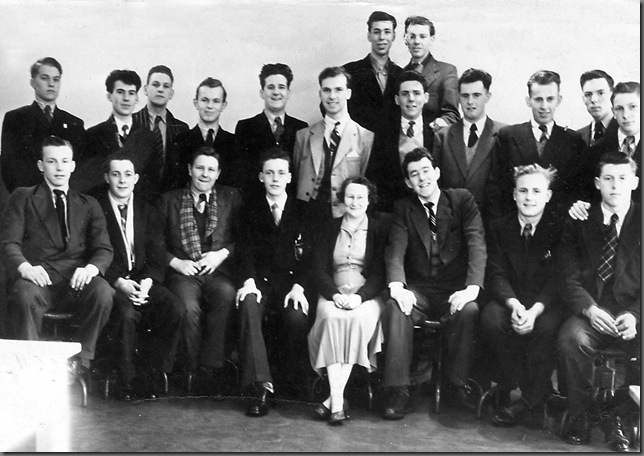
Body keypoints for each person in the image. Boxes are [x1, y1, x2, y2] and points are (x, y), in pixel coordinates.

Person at [381, 147, 486, 420]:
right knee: (395, 307)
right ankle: (399, 389)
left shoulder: (462, 200)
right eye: (414, 174)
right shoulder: (404, 208)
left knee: (471, 310)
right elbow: (395, 249)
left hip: (455, 288)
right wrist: (397, 286)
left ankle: (457, 384)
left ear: (437, 173)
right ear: (408, 182)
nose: (422, 178)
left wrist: (472, 288)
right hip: (420, 290)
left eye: (426, 171)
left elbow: (476, 243)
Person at [0, 135, 114, 369]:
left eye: (65, 161)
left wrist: (91, 268)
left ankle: (80, 362)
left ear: (73, 166)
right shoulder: (23, 197)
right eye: (52, 161)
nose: (59, 167)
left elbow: (103, 248)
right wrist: (25, 267)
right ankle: (29, 367)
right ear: (41, 166)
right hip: (38, 280)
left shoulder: (89, 203)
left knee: (103, 291)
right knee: (23, 295)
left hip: (75, 283)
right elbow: (8, 243)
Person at [557, 153, 640, 450]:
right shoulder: (580, 220)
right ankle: (583, 413)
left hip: (632, 313)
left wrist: (635, 314)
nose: (615, 185)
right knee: (571, 338)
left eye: (622, 178)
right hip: (591, 309)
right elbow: (567, 277)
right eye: (608, 178)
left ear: (635, 182)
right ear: (597, 183)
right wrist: (590, 309)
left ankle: (617, 417)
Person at [97, 151, 185, 401]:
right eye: (116, 175)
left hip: (143, 279)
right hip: (112, 280)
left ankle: (151, 373)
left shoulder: (149, 211)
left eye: (127, 175)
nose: (122, 181)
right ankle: (126, 381)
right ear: (106, 178)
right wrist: (120, 283)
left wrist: (146, 284)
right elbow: (95, 252)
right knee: (126, 314)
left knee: (175, 308)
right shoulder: (96, 208)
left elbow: (157, 257)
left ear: (136, 178)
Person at [481, 164, 564, 427]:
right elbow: (495, 273)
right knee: (492, 319)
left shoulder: (559, 227)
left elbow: (558, 279)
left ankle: (532, 400)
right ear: (514, 194)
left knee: (548, 328)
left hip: (545, 303)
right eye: (523, 191)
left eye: (537, 191)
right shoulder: (499, 227)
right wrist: (514, 304)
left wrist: (536, 309)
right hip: (512, 298)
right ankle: (518, 388)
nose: (529, 197)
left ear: (547, 196)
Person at [235, 147, 314, 417]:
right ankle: (261, 386)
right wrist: (248, 282)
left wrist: (299, 286)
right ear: (260, 177)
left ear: (290, 177)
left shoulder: (304, 210)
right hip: (261, 282)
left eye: (281, 173)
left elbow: (311, 258)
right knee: (248, 304)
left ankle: (291, 382)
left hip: (292, 284)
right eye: (269, 173)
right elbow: (244, 251)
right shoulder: (249, 210)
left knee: (295, 318)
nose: (275, 178)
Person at [157, 146, 241, 398]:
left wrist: (221, 254)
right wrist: (175, 262)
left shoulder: (231, 198)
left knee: (225, 298)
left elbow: (243, 239)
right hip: (184, 272)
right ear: (190, 170)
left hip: (217, 271)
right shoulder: (169, 200)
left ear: (218, 174)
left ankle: (211, 370)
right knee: (188, 307)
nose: (205, 174)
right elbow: (153, 243)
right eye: (200, 168)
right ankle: (193, 369)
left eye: (211, 169)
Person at [308, 176, 389, 425]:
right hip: (333, 291)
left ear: (369, 200)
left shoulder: (379, 228)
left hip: (367, 295)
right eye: (350, 196)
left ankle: (333, 401)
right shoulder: (329, 227)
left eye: (360, 197)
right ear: (343, 199)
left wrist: (360, 298)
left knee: (355, 319)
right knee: (332, 318)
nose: (354, 202)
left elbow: (379, 274)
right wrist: (334, 295)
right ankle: (338, 400)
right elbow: (318, 268)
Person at [487, 70, 586, 220]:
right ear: (528, 101)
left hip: (558, 228)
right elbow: (495, 188)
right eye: (538, 99)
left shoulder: (573, 140)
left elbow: (577, 189)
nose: (544, 106)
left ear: (559, 100)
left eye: (550, 99)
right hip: (516, 226)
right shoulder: (508, 136)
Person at [293, 67, 373, 223]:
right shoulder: (303, 136)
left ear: (348, 93)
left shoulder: (365, 137)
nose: (332, 96)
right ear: (320, 94)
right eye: (326, 90)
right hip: (309, 216)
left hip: (346, 216)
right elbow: (296, 177)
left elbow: (364, 180)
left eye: (338, 90)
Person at [1, 57, 85, 193]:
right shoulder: (15, 118)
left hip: (64, 198)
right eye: (45, 78)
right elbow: (9, 166)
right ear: (33, 82)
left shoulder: (74, 123)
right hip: (29, 198)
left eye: (56, 79)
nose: (51, 84)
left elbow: (80, 168)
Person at [77, 69, 160, 202]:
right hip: (103, 209)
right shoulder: (92, 135)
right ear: (109, 96)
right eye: (120, 92)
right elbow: (87, 181)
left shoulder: (148, 137)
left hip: (138, 210)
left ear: (137, 98)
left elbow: (153, 184)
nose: (126, 98)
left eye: (131, 93)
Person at [433, 68, 506, 219]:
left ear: (487, 96)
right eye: (465, 96)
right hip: (452, 227)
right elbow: (436, 187)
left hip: (490, 225)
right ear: (458, 97)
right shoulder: (443, 136)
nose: (470, 102)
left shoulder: (504, 134)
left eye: (476, 95)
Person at [234, 63, 308, 200]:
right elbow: (243, 174)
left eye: (281, 87)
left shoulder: (301, 128)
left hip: (291, 204)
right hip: (256, 202)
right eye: (270, 87)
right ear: (262, 92)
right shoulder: (246, 127)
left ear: (288, 93)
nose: (276, 92)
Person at [571, 81, 641, 215]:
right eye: (619, 108)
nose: (626, 115)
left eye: (633, 107)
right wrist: (579, 204)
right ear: (613, 111)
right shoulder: (595, 152)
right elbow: (584, 194)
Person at [367, 70, 434, 212]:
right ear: (397, 99)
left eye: (416, 93)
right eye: (405, 94)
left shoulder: (436, 133)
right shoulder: (382, 132)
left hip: (428, 209)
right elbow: (375, 175)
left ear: (426, 97)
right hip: (392, 210)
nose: (411, 99)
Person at [173, 78, 241, 192]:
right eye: (204, 100)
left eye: (216, 101)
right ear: (196, 103)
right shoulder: (180, 141)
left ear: (223, 105)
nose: (209, 106)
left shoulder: (235, 142)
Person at [342, 11, 402, 132]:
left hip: (392, 146)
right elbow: (329, 107)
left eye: (387, 32)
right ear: (369, 35)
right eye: (376, 32)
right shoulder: (350, 71)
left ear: (394, 36)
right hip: (357, 145)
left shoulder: (402, 75)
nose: (382, 37)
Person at [132, 65, 190, 191]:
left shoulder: (181, 128)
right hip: (138, 197)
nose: (160, 90)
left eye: (166, 86)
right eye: (155, 84)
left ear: (171, 93)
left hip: (170, 198)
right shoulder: (132, 122)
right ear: (146, 89)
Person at [402, 15, 459, 131]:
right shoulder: (400, 74)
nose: (417, 42)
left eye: (423, 37)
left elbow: (452, 114)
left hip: (433, 141)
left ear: (431, 39)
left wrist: (442, 122)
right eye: (412, 37)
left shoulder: (447, 71)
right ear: (405, 39)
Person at [576, 70, 618, 147]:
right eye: (588, 94)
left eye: (600, 93)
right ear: (583, 99)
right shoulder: (578, 136)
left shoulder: (625, 130)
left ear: (612, 96)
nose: (593, 99)